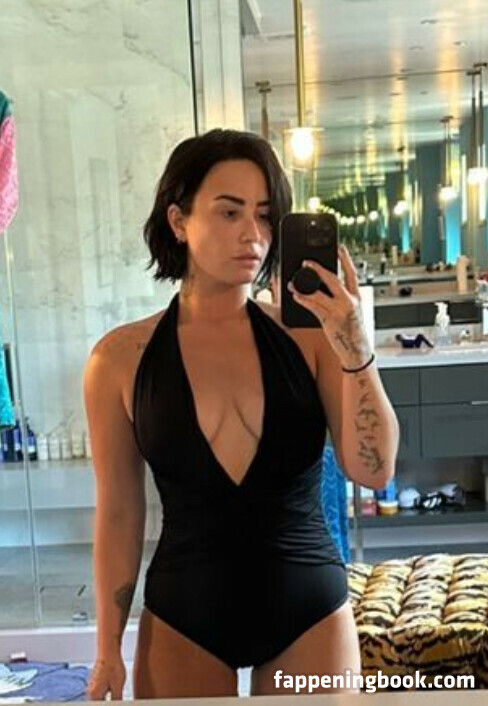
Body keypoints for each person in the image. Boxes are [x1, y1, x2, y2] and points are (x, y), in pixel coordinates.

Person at [84, 128, 399, 699]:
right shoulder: (119, 360)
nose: (253, 234)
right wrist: (107, 649)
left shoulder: (311, 339)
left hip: (308, 610)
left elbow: (373, 471)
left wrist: (356, 346)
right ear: (179, 220)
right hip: (185, 614)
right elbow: (119, 514)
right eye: (229, 212)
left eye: (264, 216)